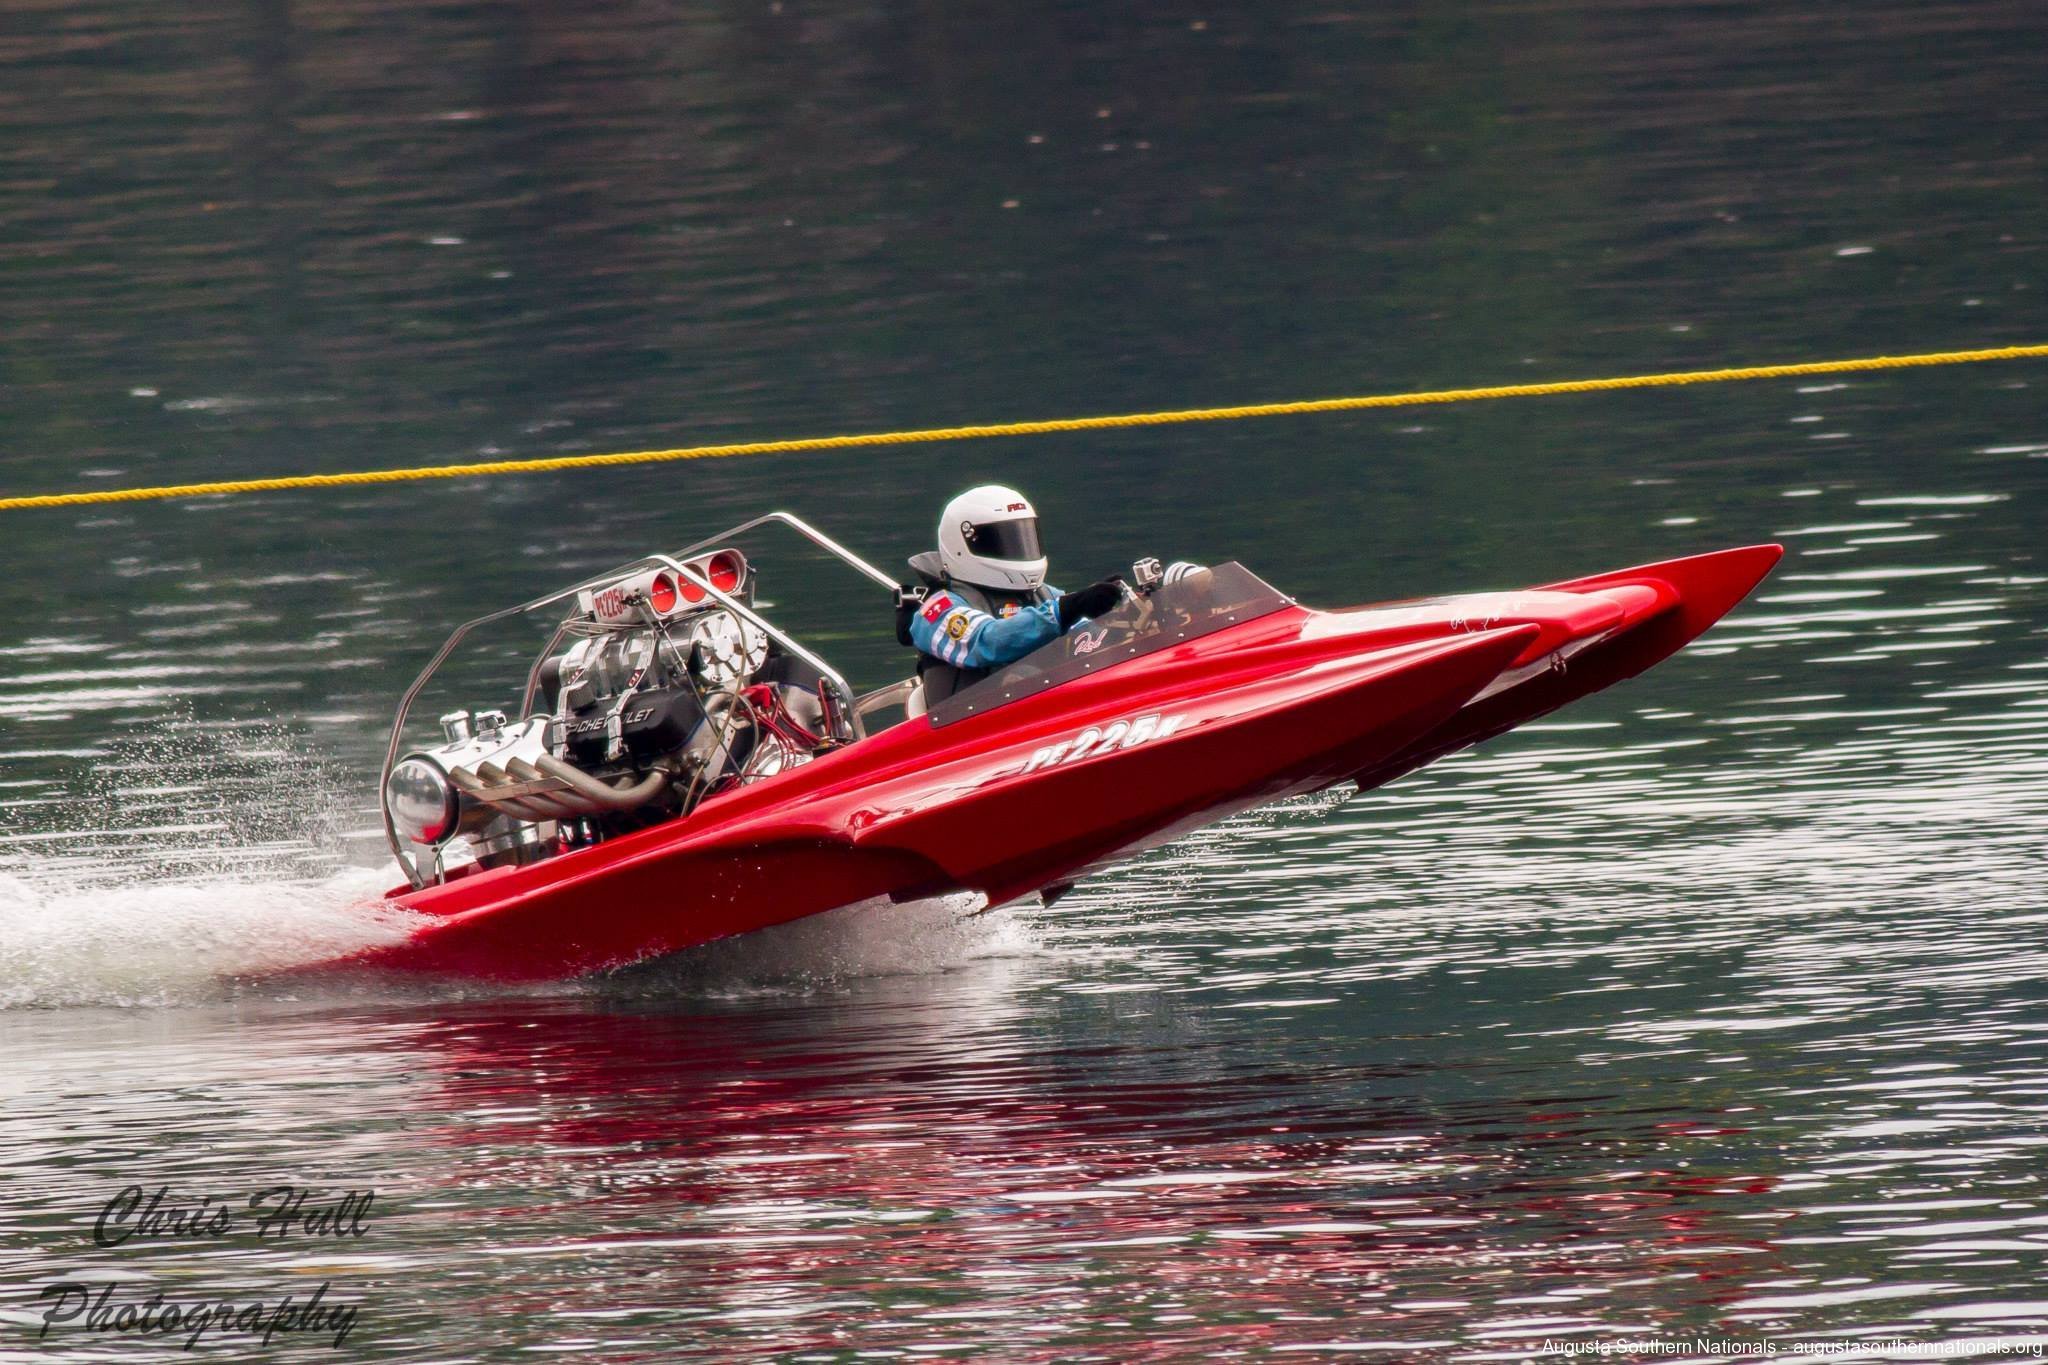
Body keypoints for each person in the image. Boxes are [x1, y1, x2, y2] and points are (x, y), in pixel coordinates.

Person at [895, 485, 1126, 706]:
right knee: (1024, 675)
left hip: (1047, 712)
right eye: (1002, 540)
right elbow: (988, 641)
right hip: (971, 729)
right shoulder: (936, 610)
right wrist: (1067, 609)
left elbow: (1088, 636)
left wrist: (1119, 618)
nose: (1017, 547)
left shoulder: (1042, 594)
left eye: (1022, 537)